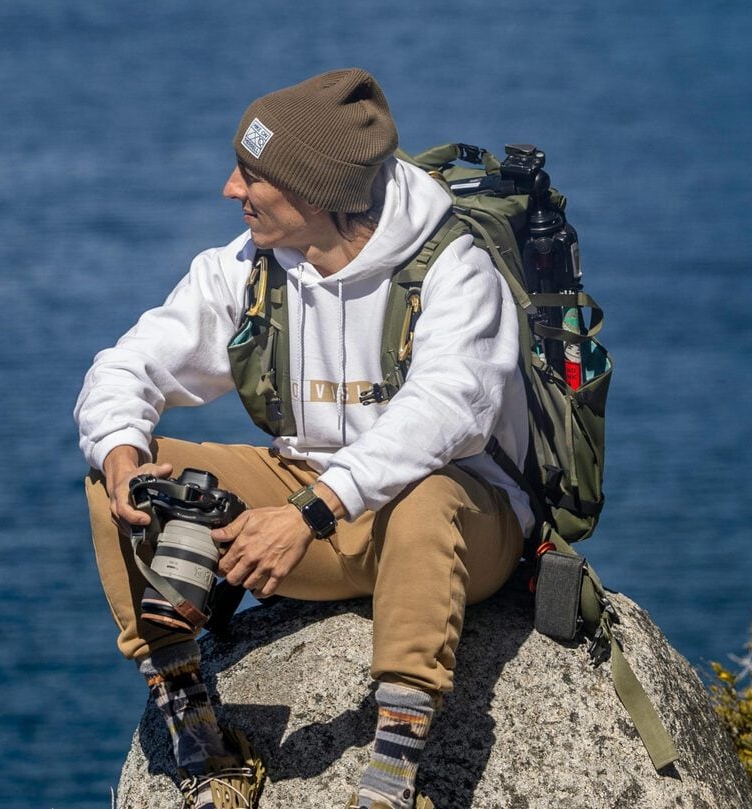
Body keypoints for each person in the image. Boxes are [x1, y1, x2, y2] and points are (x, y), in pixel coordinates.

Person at [74, 68, 532, 809]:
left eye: (252, 176)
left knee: (425, 501)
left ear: (317, 193)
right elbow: (127, 366)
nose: (230, 189)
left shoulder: (453, 269)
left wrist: (310, 511)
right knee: (118, 480)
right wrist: (123, 450)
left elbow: (451, 409)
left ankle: (390, 782)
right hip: (312, 506)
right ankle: (203, 740)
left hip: (456, 523)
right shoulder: (251, 267)